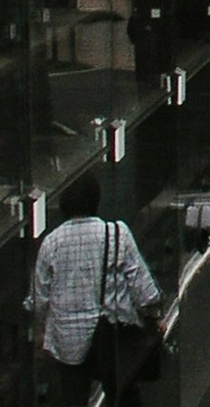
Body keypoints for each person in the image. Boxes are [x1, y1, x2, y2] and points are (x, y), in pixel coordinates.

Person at [30, 171, 162, 407]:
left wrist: (43, 330)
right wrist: (153, 315)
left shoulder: (51, 243)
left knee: (72, 397)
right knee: (124, 393)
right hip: (112, 335)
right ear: (96, 199)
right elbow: (141, 284)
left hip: (67, 341)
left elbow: (40, 297)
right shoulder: (116, 233)